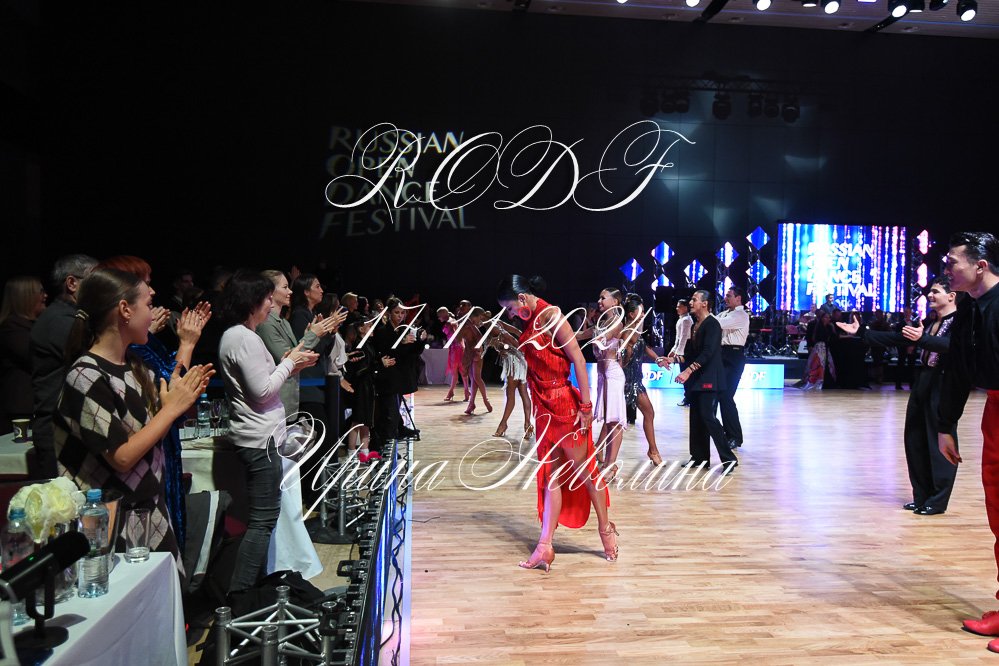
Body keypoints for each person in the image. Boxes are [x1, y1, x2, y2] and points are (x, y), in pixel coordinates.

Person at [55, 268, 214, 572]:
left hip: (150, 511)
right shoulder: (85, 375)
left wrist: (175, 396)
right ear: (125, 310)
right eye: (148, 304)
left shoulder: (135, 366)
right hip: (109, 526)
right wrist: (170, 410)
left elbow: (158, 420)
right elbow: (122, 457)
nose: (154, 315)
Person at [497, 275, 616, 572]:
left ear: (522, 298)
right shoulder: (530, 320)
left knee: (586, 473)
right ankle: (544, 546)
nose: (510, 314)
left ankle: (606, 531)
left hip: (563, 406)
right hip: (543, 408)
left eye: (510, 308)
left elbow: (578, 359)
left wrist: (586, 406)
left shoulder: (551, 315)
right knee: (551, 479)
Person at [98, 255, 212, 551]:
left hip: (157, 450)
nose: (153, 292)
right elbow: (169, 386)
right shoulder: (102, 366)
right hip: (137, 475)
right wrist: (186, 344)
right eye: (145, 286)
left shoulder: (134, 349)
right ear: (123, 305)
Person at [217, 271, 319, 592]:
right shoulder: (243, 338)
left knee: (261, 519)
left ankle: (249, 590)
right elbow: (261, 391)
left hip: (259, 437)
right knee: (262, 522)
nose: (269, 304)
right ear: (252, 302)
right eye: (265, 298)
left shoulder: (238, 335)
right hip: (259, 440)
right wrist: (289, 364)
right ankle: (242, 596)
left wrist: (291, 364)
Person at [930, 233, 999, 650]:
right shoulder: (970, 309)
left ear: (980, 265)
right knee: (998, 513)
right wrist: (946, 425)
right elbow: (956, 368)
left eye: (952, 262)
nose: (946, 269)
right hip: (995, 410)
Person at [839, 278, 959, 515]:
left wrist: (922, 339)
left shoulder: (961, 323)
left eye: (935, 292)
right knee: (915, 439)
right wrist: (861, 332)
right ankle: (921, 495)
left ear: (951, 296)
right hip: (923, 380)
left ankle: (938, 500)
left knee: (938, 442)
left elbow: (951, 346)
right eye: (930, 292)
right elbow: (897, 338)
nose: (930, 295)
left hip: (943, 383)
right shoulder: (929, 322)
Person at [30, 253, 99, 478]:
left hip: (69, 427)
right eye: (96, 280)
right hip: (56, 430)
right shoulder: (59, 321)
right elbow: (95, 361)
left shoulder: (72, 317)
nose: (103, 287)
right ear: (72, 283)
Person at [665, 290, 738, 471]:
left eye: (694, 299)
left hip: (710, 378)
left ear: (705, 303)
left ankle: (729, 459)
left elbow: (707, 353)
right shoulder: (695, 325)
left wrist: (688, 371)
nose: (691, 302)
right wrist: (672, 360)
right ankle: (699, 457)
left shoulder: (712, 324)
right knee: (696, 417)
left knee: (708, 417)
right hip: (698, 378)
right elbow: (692, 354)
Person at [578, 289, 626, 480]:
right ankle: (607, 462)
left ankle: (611, 465)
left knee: (614, 421)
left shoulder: (617, 323)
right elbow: (581, 335)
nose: (599, 300)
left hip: (612, 374)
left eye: (603, 298)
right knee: (608, 420)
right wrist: (556, 332)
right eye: (599, 297)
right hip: (603, 376)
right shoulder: (602, 322)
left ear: (615, 302)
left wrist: (597, 337)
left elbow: (604, 338)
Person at [372, 297, 427, 446]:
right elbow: (386, 353)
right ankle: (387, 443)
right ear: (389, 313)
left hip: (402, 374)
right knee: (389, 412)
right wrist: (402, 343)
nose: (400, 316)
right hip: (388, 376)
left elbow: (413, 352)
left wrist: (421, 341)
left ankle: (399, 429)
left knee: (396, 407)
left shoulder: (405, 329)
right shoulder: (382, 331)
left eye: (402, 313)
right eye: (397, 312)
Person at [620, 294, 663, 466]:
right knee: (615, 421)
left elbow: (644, 347)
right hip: (627, 382)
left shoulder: (636, 331)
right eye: (641, 311)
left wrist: (658, 359)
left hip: (636, 381)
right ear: (631, 314)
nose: (644, 314)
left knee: (648, 413)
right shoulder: (626, 333)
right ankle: (598, 450)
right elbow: (623, 361)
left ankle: (653, 450)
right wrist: (627, 352)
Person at [0, 276, 46, 434]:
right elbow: (37, 358)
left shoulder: (35, 325)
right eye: (41, 291)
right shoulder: (11, 328)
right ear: (25, 296)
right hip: (21, 411)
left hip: (35, 406)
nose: (45, 295)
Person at [484, 319, 533, 439]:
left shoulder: (496, 328)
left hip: (515, 362)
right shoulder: (494, 327)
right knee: (523, 392)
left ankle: (503, 424)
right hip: (518, 361)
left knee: (511, 395)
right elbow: (516, 332)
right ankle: (527, 425)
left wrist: (507, 348)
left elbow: (515, 343)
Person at [715, 287, 750, 449]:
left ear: (738, 298)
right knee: (720, 396)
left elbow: (715, 324)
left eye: (729, 296)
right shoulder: (725, 313)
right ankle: (727, 434)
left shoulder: (740, 315)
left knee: (726, 396)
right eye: (726, 296)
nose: (726, 298)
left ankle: (735, 436)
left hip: (733, 356)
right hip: (722, 355)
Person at [458, 306, 491, 415]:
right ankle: (471, 403)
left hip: (476, 352)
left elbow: (479, 337)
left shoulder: (471, 324)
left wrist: (479, 350)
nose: (480, 321)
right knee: (473, 378)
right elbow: (460, 338)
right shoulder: (466, 323)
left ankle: (485, 399)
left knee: (476, 377)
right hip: (469, 352)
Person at [438, 307, 469, 402]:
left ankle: (457, 392)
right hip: (457, 348)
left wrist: (455, 343)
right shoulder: (452, 321)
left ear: (444, 314)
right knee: (460, 372)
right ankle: (464, 392)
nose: (438, 318)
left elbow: (457, 336)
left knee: (458, 372)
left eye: (439, 315)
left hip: (456, 349)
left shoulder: (450, 322)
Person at [666, 298, 693, 407]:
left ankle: (689, 398)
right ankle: (688, 397)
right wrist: (673, 350)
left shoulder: (686, 320)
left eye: (679, 306)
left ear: (685, 308)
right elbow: (678, 338)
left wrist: (679, 352)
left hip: (686, 350)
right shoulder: (681, 319)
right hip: (681, 349)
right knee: (683, 373)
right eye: (677, 306)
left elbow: (684, 338)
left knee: (686, 375)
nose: (677, 308)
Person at [802, 311, 836, 390]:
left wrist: (833, 328)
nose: (827, 319)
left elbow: (833, 337)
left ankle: (826, 381)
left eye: (828, 317)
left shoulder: (830, 327)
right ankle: (815, 380)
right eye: (825, 317)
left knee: (827, 364)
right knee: (818, 363)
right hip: (819, 347)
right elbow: (813, 337)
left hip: (826, 347)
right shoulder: (818, 327)